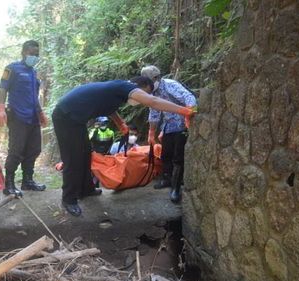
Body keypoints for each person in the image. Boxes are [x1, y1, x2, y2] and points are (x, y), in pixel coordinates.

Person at [52, 77, 195, 216]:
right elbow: (153, 101)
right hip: (65, 117)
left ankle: (86, 189)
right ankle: (69, 199)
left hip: (76, 119)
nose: (146, 96)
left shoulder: (118, 92)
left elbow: (109, 109)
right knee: (73, 157)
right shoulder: (125, 87)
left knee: (85, 154)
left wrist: (121, 123)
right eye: (146, 91)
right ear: (138, 86)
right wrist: (184, 111)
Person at [0, 40, 48, 197]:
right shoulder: (12, 68)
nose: (34, 57)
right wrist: (0, 108)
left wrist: (40, 113)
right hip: (17, 116)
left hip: (33, 117)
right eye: (32, 54)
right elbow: (3, 88)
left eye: (37, 55)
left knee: (34, 149)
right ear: (24, 52)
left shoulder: (33, 73)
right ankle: (9, 184)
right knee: (16, 150)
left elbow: (33, 96)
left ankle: (27, 181)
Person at [142, 65, 197, 203]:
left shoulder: (170, 85)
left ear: (156, 78)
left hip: (182, 124)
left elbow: (188, 97)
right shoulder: (152, 93)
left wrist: (189, 116)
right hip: (168, 126)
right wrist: (152, 132)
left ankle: (176, 187)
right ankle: (166, 179)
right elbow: (154, 112)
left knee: (178, 158)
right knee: (166, 155)